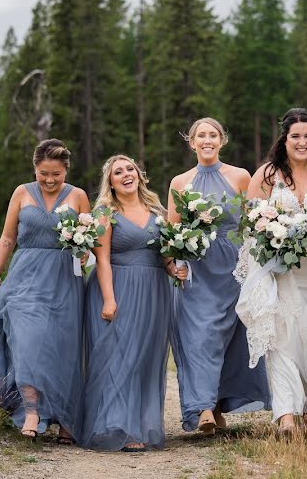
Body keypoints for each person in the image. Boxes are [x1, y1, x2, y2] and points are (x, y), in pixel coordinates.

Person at [0, 138, 89, 444]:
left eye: (56, 173)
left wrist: (86, 254)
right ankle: (32, 410)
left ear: (66, 170)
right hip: (25, 279)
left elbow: (92, 238)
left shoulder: (79, 196)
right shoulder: (21, 192)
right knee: (27, 342)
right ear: (35, 167)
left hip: (64, 280)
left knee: (64, 349)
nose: (49, 179)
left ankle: (66, 419)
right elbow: (7, 238)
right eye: (43, 172)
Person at [237, 108, 307, 437]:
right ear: (284, 138)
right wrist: (272, 236)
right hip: (280, 269)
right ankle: (285, 416)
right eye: (295, 135)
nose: (302, 141)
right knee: (281, 340)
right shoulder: (267, 175)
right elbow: (250, 222)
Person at [168, 118, 270, 435]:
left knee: (230, 340)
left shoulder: (240, 176)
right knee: (201, 338)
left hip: (233, 267)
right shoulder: (180, 182)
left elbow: (255, 219)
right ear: (192, 142)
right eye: (202, 136)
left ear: (222, 141)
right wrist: (173, 263)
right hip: (198, 270)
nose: (207, 140)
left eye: (213, 135)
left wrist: (257, 263)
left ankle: (217, 404)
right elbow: (172, 228)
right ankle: (202, 407)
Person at [80, 155, 187, 452]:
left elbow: (164, 255)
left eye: (130, 169)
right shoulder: (106, 212)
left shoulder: (157, 211)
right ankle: (118, 427)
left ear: (139, 174)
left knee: (144, 358)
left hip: (154, 291)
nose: (126, 174)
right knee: (117, 357)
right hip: (118, 288)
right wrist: (110, 299)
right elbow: (101, 260)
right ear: (110, 182)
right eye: (118, 172)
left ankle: (138, 424)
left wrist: (173, 268)